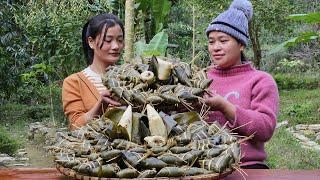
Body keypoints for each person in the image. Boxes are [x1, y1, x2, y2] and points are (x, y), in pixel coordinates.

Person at [204, 0, 279, 169]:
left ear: (241, 44)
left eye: (223, 40)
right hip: (202, 165)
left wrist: (225, 106)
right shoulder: (200, 79)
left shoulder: (261, 80)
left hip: (246, 166)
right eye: (211, 41)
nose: (216, 47)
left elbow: (265, 128)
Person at [62, 13, 124, 131]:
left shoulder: (132, 79)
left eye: (120, 40)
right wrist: (100, 106)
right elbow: (75, 127)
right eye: (108, 40)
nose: (116, 46)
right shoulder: (74, 82)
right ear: (91, 42)